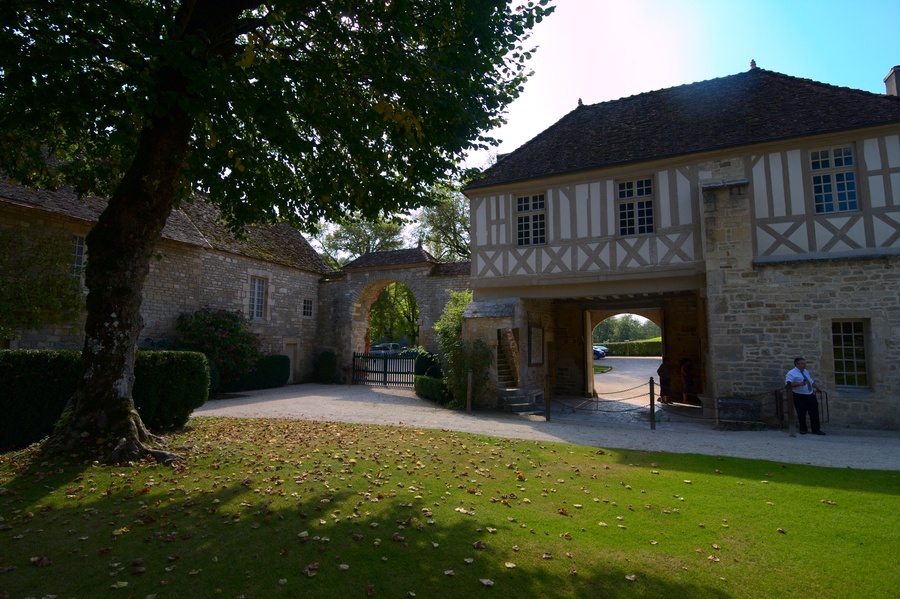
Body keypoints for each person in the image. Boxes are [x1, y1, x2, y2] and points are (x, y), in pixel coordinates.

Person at [785, 357, 825, 435]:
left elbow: (810, 381)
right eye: (802, 363)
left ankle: (816, 429)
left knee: (814, 412)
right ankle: (803, 428)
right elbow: (788, 384)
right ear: (797, 364)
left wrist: (817, 387)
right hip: (799, 395)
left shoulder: (805, 371)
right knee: (801, 413)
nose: (804, 365)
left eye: (804, 363)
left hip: (809, 394)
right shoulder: (791, 373)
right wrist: (799, 384)